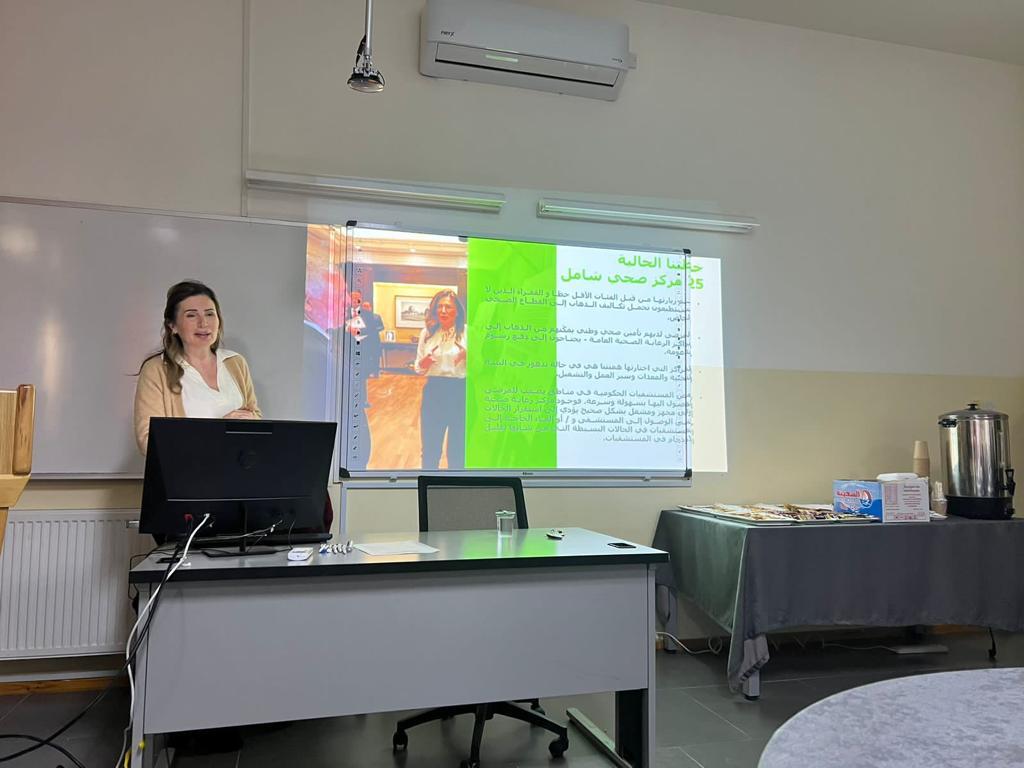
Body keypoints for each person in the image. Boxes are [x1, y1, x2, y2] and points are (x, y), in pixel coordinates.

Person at [134, 280, 260, 455]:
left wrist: (252, 422)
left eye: (210, 314)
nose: (203, 323)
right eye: (191, 315)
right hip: (187, 471)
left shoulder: (235, 362)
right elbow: (148, 441)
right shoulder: (156, 370)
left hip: (238, 469)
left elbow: (256, 418)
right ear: (172, 326)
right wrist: (219, 431)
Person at [415, 289, 466, 469]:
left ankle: (455, 485)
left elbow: (482, 367)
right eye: (440, 306)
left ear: (457, 311)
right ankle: (428, 484)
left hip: (460, 393)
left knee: (458, 451)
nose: (443, 311)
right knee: (430, 449)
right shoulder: (427, 333)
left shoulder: (468, 332)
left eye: (448, 307)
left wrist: (468, 356)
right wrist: (426, 361)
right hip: (434, 392)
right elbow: (418, 368)